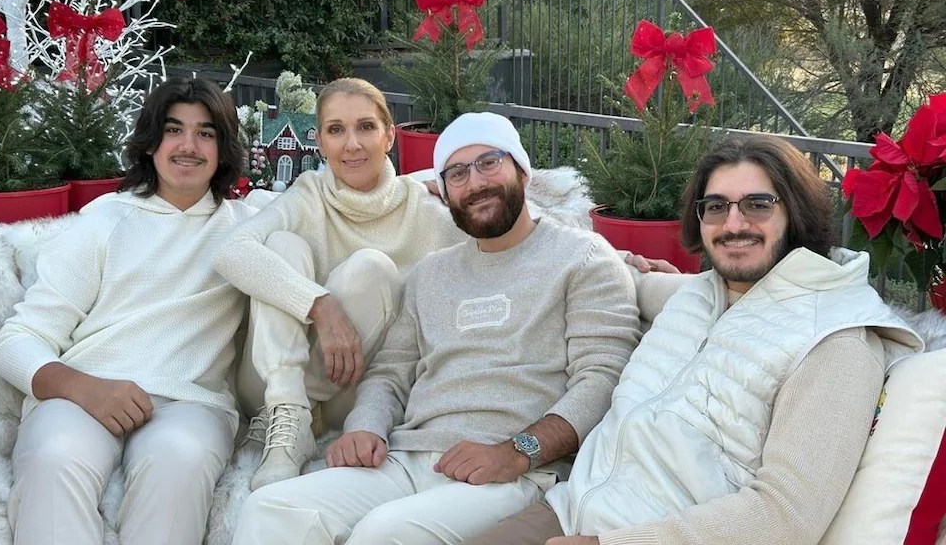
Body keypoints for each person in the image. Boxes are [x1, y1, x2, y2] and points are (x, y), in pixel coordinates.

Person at [461, 134, 925, 545]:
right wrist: (620, 262)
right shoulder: (698, 296)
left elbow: (787, 516)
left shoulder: (835, 339)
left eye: (757, 205)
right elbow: (636, 289)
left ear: (795, 212)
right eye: (716, 207)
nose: (734, 224)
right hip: (568, 508)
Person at [229, 111, 643, 544]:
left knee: (383, 532)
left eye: (489, 162)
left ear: (522, 171)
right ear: (444, 193)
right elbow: (390, 372)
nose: (475, 182)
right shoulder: (432, 272)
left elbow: (602, 379)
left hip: (512, 471)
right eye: (457, 173)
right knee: (271, 509)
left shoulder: (582, 258)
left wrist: (518, 452)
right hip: (407, 457)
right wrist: (364, 428)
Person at [0, 77, 256, 545]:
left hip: (191, 404)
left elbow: (326, 210)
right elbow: (18, 341)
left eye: (206, 133)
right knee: (54, 458)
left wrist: (325, 307)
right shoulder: (104, 220)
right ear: (151, 142)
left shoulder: (249, 229)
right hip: (83, 393)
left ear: (224, 148)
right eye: (173, 130)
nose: (188, 146)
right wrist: (84, 388)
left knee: (178, 462)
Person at [212, 77, 468, 490]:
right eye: (336, 130)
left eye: (366, 127)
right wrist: (319, 305)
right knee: (282, 244)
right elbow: (230, 252)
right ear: (320, 142)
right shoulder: (308, 194)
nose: (352, 144)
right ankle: (289, 415)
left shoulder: (424, 210)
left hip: (349, 393)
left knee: (371, 268)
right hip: (268, 390)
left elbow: (495, 252)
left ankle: (296, 417)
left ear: (389, 136)